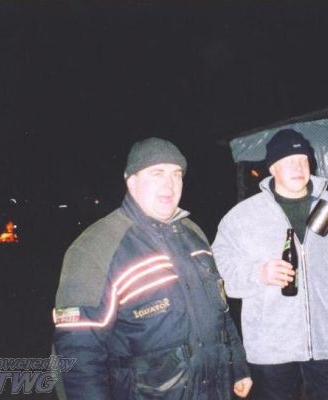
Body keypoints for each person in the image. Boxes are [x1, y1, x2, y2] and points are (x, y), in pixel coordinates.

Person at [52, 137, 252, 400]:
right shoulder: (96, 247)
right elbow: (77, 353)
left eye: (176, 174)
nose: (170, 184)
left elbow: (220, 310)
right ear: (131, 181)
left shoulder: (194, 234)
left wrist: (238, 366)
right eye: (157, 173)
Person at [212, 129, 328, 400]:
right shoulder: (243, 216)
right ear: (272, 168)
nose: (298, 167)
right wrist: (257, 274)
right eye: (288, 161)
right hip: (271, 348)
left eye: (303, 160)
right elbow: (218, 268)